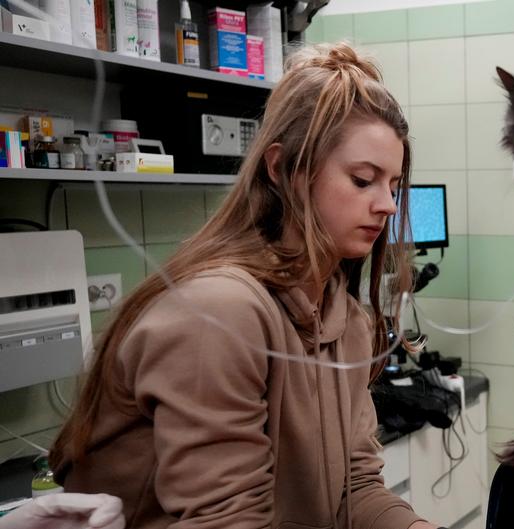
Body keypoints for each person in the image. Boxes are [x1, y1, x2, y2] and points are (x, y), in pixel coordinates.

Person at [49, 43, 440, 529]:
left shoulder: (347, 321)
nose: (386, 205)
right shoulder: (217, 313)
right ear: (281, 169)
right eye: (363, 180)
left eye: (394, 186)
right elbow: (227, 521)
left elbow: (354, 488)